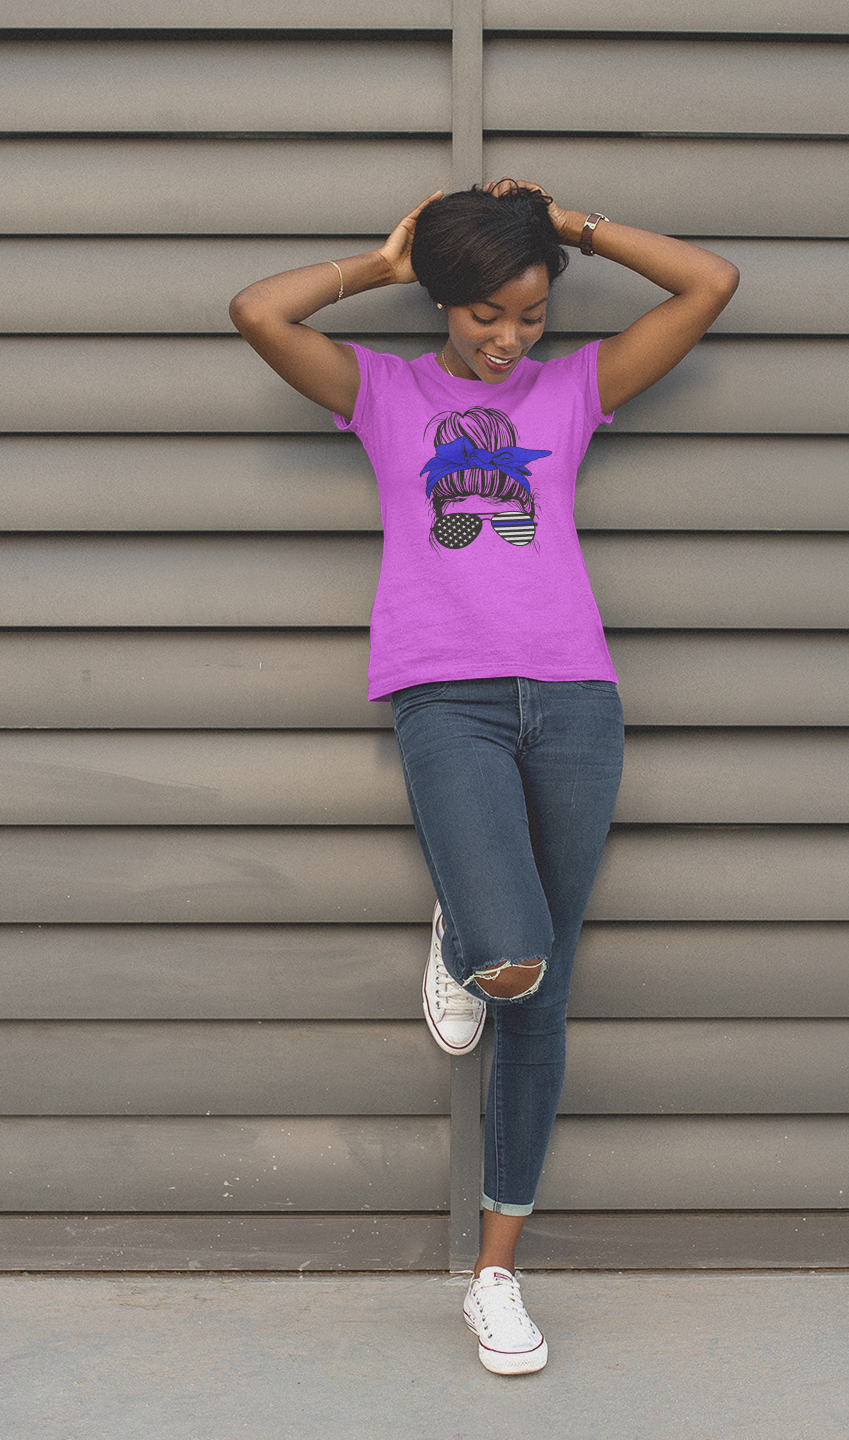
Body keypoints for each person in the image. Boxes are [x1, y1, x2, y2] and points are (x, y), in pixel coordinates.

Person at [229, 180, 737, 1375]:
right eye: (484, 317)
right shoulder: (387, 393)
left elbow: (709, 284)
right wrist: (382, 264)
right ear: (445, 303)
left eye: (530, 316)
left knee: (544, 997)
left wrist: (570, 227)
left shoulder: (573, 387)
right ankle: (468, 913)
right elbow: (257, 311)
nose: (509, 340)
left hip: (574, 698)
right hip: (444, 692)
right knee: (513, 951)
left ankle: (497, 1274)